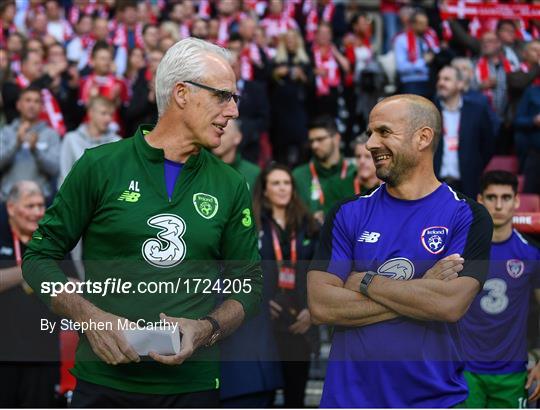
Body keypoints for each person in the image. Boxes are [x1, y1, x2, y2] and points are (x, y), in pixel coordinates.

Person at [22, 37, 262, 407]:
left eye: (234, 98)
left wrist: (207, 329)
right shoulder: (99, 166)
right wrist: (91, 318)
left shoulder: (230, 184)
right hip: (103, 383)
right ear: (181, 93)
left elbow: (248, 283)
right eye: (222, 96)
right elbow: (37, 258)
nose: (232, 111)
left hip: (193, 387)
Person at [308, 94, 493, 407]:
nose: (369, 144)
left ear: (423, 137)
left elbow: (449, 304)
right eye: (369, 133)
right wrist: (422, 289)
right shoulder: (347, 212)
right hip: (349, 400)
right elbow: (322, 306)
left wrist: (364, 281)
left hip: (433, 401)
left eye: (383, 132)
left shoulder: (467, 216)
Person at [460, 171, 540, 408]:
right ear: (480, 200)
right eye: (491, 197)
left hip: (512, 373)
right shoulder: (460, 249)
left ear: (516, 201)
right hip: (464, 370)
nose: (498, 205)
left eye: (506, 197)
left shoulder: (532, 253)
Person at [253, 163, 319, 408]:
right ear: (265, 190)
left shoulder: (309, 225)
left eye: (287, 183)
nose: (283, 188)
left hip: (300, 321)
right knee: (263, 396)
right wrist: (257, 305)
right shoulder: (252, 225)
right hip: (264, 324)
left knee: (295, 397)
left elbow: (322, 270)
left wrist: (313, 310)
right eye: (276, 183)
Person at [0, 181, 60, 407]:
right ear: (11, 208)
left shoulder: (52, 241)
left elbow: (72, 283)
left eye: (41, 206)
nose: (38, 212)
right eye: (30, 206)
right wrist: (29, 271)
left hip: (42, 354)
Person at [434, 65, 495, 198]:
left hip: (467, 183)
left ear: (460, 84)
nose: (441, 83)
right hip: (435, 183)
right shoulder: (429, 110)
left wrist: (475, 165)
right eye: (439, 79)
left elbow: (488, 145)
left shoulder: (477, 111)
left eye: (446, 79)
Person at [0, 86, 60, 201]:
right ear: (18, 105)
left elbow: (54, 169)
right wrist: (16, 144)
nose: (32, 105)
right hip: (8, 200)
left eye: (36, 101)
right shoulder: (6, 132)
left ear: (42, 107)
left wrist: (35, 150)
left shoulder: (50, 134)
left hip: (39, 201)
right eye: (28, 100)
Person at [292, 116, 355, 224]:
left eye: (320, 139)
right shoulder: (299, 176)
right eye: (311, 141)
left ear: (336, 138)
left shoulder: (354, 172)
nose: (314, 145)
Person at [59, 96, 121, 187]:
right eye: (103, 113)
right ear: (90, 113)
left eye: (111, 115)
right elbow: (64, 175)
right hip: (74, 197)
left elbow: (117, 177)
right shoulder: (71, 139)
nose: (108, 119)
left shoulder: (117, 142)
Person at [394, 10, 439, 98]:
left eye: (426, 23)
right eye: (421, 23)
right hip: (410, 81)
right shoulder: (401, 40)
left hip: (429, 81)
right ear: (413, 24)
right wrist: (423, 62)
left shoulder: (429, 39)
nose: (425, 27)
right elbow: (401, 67)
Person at [212, 119, 260, 190]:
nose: (216, 138)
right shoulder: (199, 167)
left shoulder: (254, 173)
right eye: (214, 133)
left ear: (237, 138)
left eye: (222, 133)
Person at [514, 82, 540, 194]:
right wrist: (534, 120)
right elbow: (517, 120)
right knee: (529, 194)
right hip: (535, 153)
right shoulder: (531, 92)